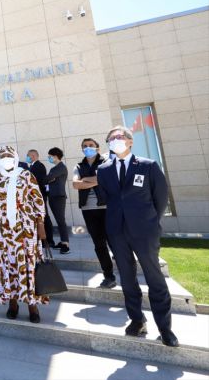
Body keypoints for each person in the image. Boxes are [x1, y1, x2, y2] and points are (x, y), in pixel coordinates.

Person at [97, 126, 177, 347]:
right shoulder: (103, 170)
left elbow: (160, 199)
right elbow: (106, 197)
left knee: (154, 278)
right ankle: (137, 320)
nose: (115, 140)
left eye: (119, 137)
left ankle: (165, 328)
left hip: (145, 231)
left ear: (130, 141)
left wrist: (150, 222)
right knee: (127, 278)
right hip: (117, 231)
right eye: (111, 138)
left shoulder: (148, 165)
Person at [0, 146, 48, 323]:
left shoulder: (26, 175)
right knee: (7, 264)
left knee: (27, 264)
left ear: (15, 157)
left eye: (8, 155)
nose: (6, 158)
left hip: (25, 229)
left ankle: (32, 305)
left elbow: (37, 199)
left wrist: (41, 222)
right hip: (2, 231)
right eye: (2, 156)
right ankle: (12, 303)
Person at [72, 138, 116, 289]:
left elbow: (106, 178)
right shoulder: (78, 165)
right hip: (88, 210)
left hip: (106, 208)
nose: (87, 148)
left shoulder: (105, 162)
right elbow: (75, 184)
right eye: (84, 146)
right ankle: (109, 276)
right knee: (99, 244)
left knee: (114, 242)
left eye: (91, 146)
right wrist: (96, 180)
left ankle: (127, 271)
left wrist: (85, 179)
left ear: (97, 148)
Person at [45, 147, 70, 254]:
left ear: (55, 156)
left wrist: (50, 179)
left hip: (58, 197)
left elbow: (46, 179)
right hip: (52, 196)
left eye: (50, 156)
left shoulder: (61, 167)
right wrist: (50, 179)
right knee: (58, 220)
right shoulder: (53, 169)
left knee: (61, 220)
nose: (49, 158)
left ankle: (66, 244)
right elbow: (47, 179)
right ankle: (62, 241)